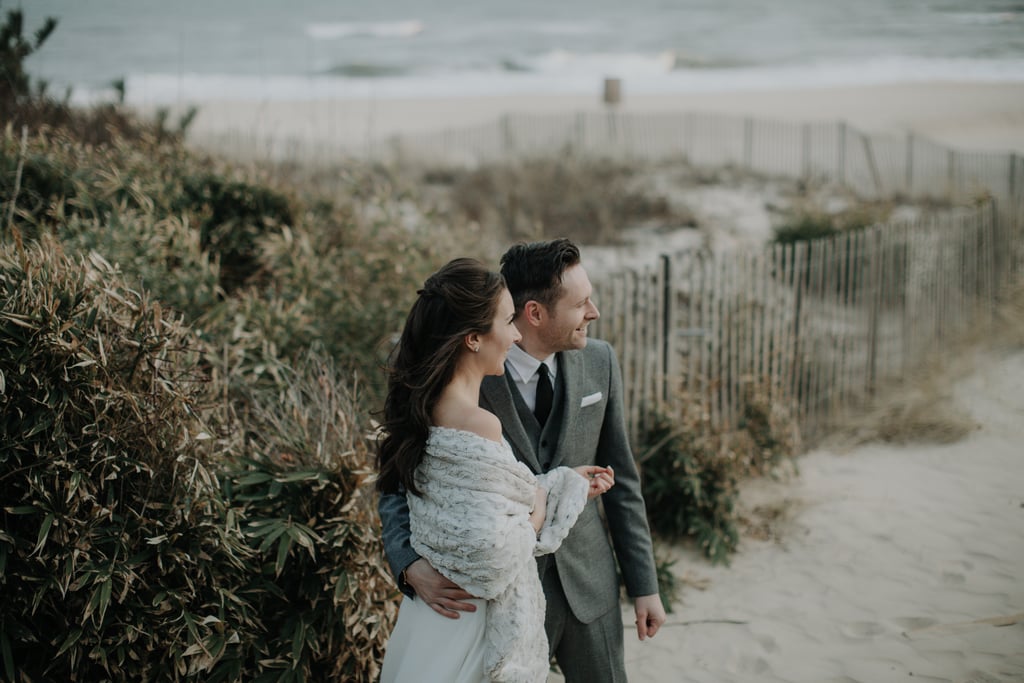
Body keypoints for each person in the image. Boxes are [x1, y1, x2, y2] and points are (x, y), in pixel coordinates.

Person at [379, 240, 666, 682]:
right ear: (533, 313)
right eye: (581, 303)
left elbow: (622, 479)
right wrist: (407, 564)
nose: (594, 312)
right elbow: (400, 480)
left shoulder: (600, 361)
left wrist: (644, 585)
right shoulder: (462, 381)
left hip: (590, 586)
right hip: (497, 604)